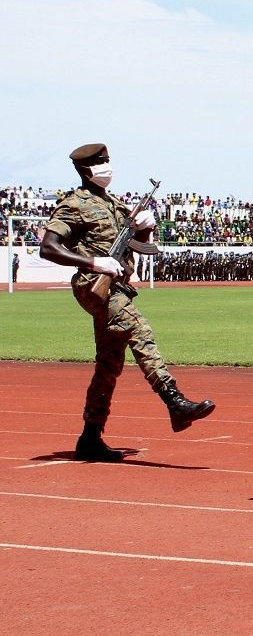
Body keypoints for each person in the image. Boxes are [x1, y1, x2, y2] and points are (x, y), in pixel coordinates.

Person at [39, 143, 216, 462]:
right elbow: (49, 248)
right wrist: (93, 262)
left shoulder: (117, 205)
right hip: (93, 285)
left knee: (109, 364)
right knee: (140, 331)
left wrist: (146, 228)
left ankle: (90, 437)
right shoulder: (73, 204)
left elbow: (140, 247)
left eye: (108, 161)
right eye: (101, 162)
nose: (107, 167)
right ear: (85, 169)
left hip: (119, 285)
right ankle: (174, 402)